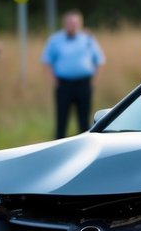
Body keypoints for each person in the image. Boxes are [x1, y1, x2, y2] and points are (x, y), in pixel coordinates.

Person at [41, 10, 105, 139]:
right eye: (70, 22)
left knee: (84, 119)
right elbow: (47, 61)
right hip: (64, 84)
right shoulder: (55, 40)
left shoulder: (88, 39)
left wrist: (94, 81)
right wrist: (54, 80)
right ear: (64, 24)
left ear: (80, 24)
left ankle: (84, 146)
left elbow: (99, 60)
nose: (72, 25)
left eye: (75, 23)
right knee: (62, 118)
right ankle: (58, 147)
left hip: (84, 84)